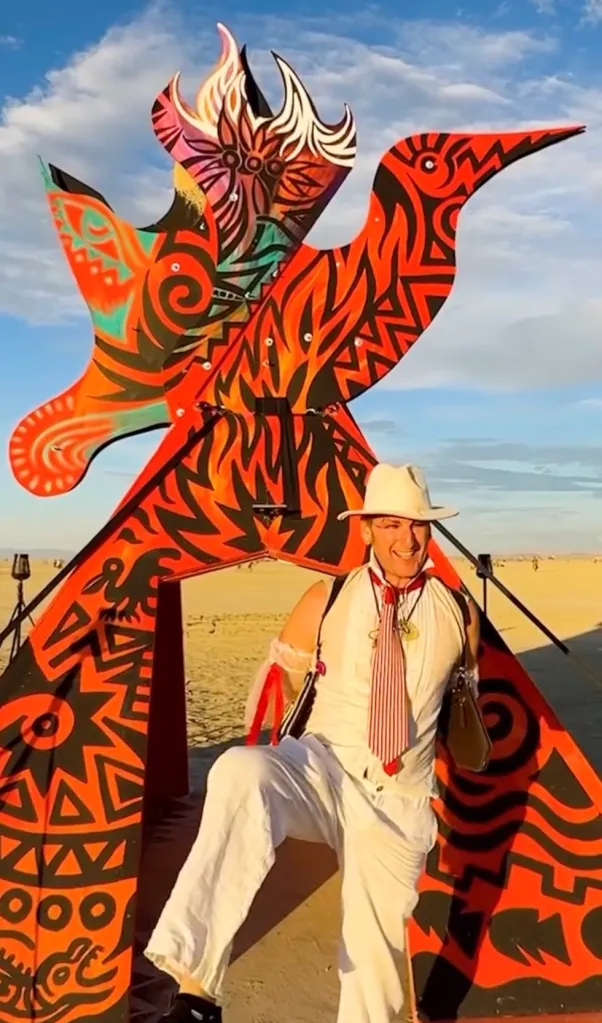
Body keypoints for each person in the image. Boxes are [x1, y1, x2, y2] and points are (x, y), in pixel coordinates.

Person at [146, 462, 481, 1023]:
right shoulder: (327, 597)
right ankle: (197, 989)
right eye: (391, 525)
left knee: (375, 965)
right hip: (324, 767)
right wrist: (280, 757)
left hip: (398, 800)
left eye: (417, 525)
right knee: (239, 770)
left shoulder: (458, 610)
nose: (407, 539)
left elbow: (466, 703)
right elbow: (278, 685)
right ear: (367, 529)